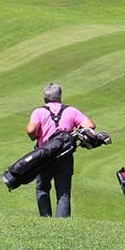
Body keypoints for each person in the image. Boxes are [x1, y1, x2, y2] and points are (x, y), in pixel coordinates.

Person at [25, 83, 97, 218]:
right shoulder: (71, 111)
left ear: (45, 98)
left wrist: (35, 136)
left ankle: (45, 219)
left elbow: (30, 130)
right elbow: (90, 125)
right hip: (65, 156)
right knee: (64, 193)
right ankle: (62, 223)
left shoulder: (39, 112)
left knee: (42, 189)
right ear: (60, 96)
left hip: (44, 156)